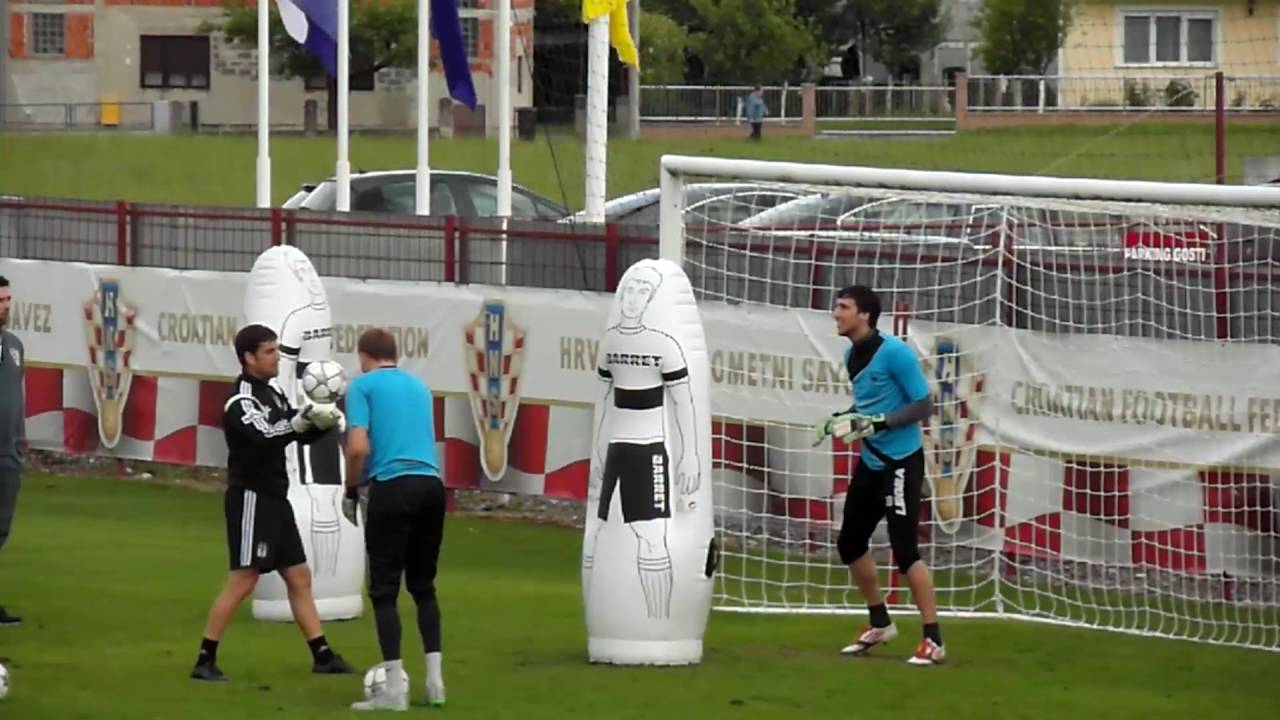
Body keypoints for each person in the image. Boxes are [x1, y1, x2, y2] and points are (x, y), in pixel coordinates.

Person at [190, 323, 356, 681]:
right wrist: (300, 422)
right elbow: (266, 436)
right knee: (244, 579)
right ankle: (205, 659)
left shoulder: (274, 394)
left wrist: (321, 424)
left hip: (275, 499)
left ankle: (322, 655)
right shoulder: (241, 401)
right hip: (252, 498)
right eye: (269, 352)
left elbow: (290, 433)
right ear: (248, 358)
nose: (276, 358)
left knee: (299, 576)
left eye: (277, 350)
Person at [812, 285, 945, 666]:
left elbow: (924, 405)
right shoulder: (852, 353)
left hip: (901, 462)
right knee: (850, 544)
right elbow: (866, 404)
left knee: (905, 552)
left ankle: (933, 640)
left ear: (865, 315)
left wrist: (880, 422)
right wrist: (840, 418)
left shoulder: (896, 353)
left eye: (843, 307)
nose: (836, 313)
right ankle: (880, 622)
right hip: (871, 462)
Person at [342, 328, 446, 711]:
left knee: (384, 591)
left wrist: (352, 488)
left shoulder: (362, 386)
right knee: (423, 586)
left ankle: (394, 691)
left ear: (363, 355)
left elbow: (357, 447)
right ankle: (435, 683)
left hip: (392, 485)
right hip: (432, 485)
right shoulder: (419, 387)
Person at [0, 275, 24, 626]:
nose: (6, 306)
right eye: (1, 300)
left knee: (0, 529)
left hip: (7, 454)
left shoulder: (15, 345)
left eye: (7, 299)